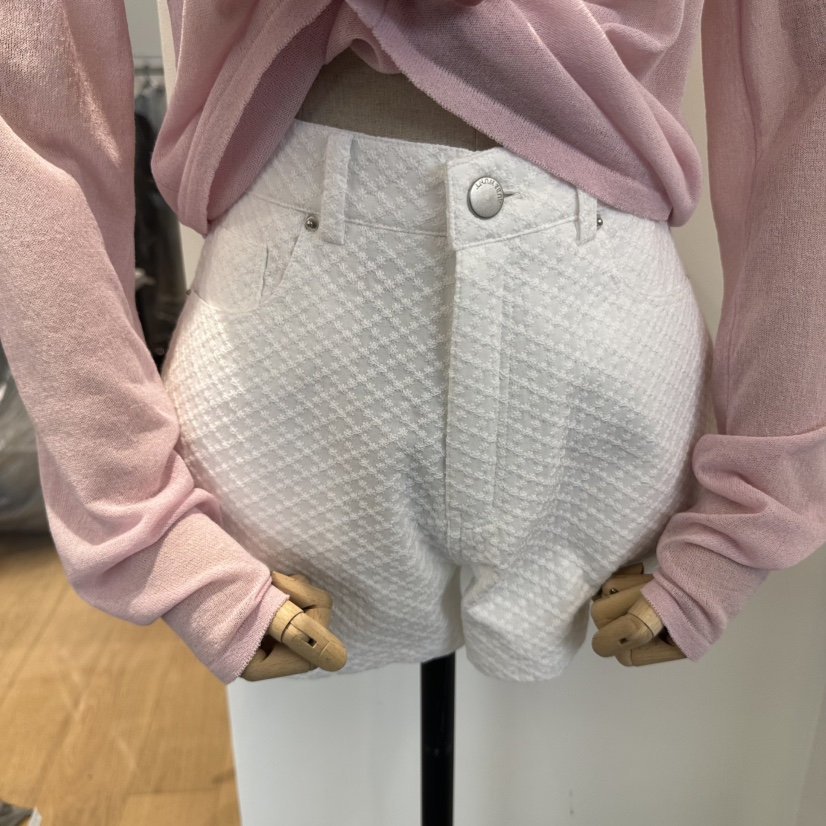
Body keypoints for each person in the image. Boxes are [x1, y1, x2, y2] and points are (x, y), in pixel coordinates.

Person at [1, 0, 824, 685]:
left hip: (599, 365)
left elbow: (805, 84)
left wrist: (757, 505)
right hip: (290, 372)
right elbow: (33, 118)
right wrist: (137, 512)